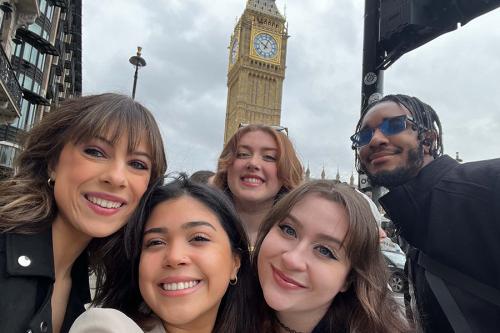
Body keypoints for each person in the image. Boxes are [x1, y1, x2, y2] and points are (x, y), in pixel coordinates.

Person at [0, 93, 167, 333]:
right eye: (96, 152)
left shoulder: (88, 287)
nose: (117, 177)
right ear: (53, 163)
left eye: (137, 164)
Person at [351, 94, 500, 332]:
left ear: (429, 138)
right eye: (364, 135)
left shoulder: (490, 183)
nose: (376, 139)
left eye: (395, 124)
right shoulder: (412, 223)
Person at [74, 176, 254, 333]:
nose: (175, 257)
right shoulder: (108, 327)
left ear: (235, 263)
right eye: (155, 242)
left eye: (198, 238)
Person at [252, 180, 410, 333]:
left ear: (349, 279)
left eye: (324, 251)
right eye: (288, 230)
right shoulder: (231, 309)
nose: (292, 259)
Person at [213, 124, 303, 244]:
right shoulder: (195, 222)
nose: (253, 163)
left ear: (286, 171)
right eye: (243, 154)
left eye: (269, 157)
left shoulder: (300, 243)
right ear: (226, 165)